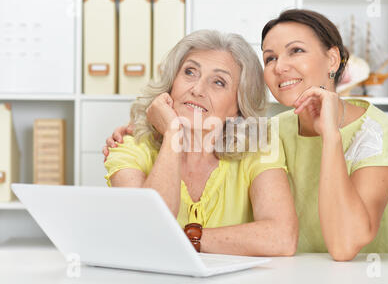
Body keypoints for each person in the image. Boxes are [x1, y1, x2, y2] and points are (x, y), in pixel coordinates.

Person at [104, 9, 388, 261]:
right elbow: (144, 229)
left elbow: (331, 244)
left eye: (296, 50)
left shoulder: (375, 132)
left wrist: (331, 136)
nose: (281, 66)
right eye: (270, 58)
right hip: (287, 274)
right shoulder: (268, 132)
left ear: (332, 60)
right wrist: (161, 130)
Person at [103, 29, 298, 257]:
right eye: (190, 72)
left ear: (238, 105)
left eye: (218, 82)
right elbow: (146, 229)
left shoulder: (259, 147)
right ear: (171, 83)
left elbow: (281, 239)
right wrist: (172, 135)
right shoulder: (129, 146)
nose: (196, 89)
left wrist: (185, 239)